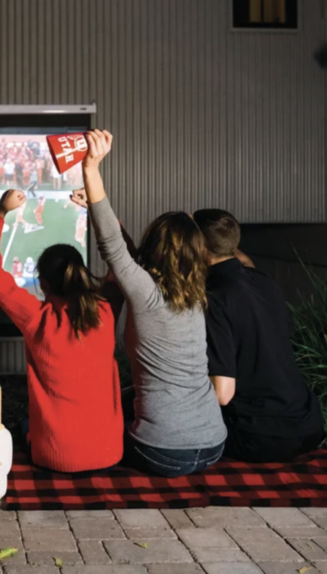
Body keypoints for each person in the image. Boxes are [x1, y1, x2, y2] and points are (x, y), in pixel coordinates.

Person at [82, 130, 226, 477]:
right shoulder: (195, 292)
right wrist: (94, 204)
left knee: (91, 435)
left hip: (161, 451)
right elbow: (128, 258)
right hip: (214, 446)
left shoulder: (146, 292)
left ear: (155, 245)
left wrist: (91, 169)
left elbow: (115, 250)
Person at [0, 190, 123, 473]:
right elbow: (122, 258)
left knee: (22, 426)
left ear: (42, 282)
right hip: (109, 454)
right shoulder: (105, 311)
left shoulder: (37, 317)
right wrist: (99, 213)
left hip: (53, 457)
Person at [193, 209, 325, 462]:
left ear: (199, 248)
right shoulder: (263, 281)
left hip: (258, 436)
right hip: (307, 425)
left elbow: (222, 394)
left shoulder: (215, 299)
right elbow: (237, 259)